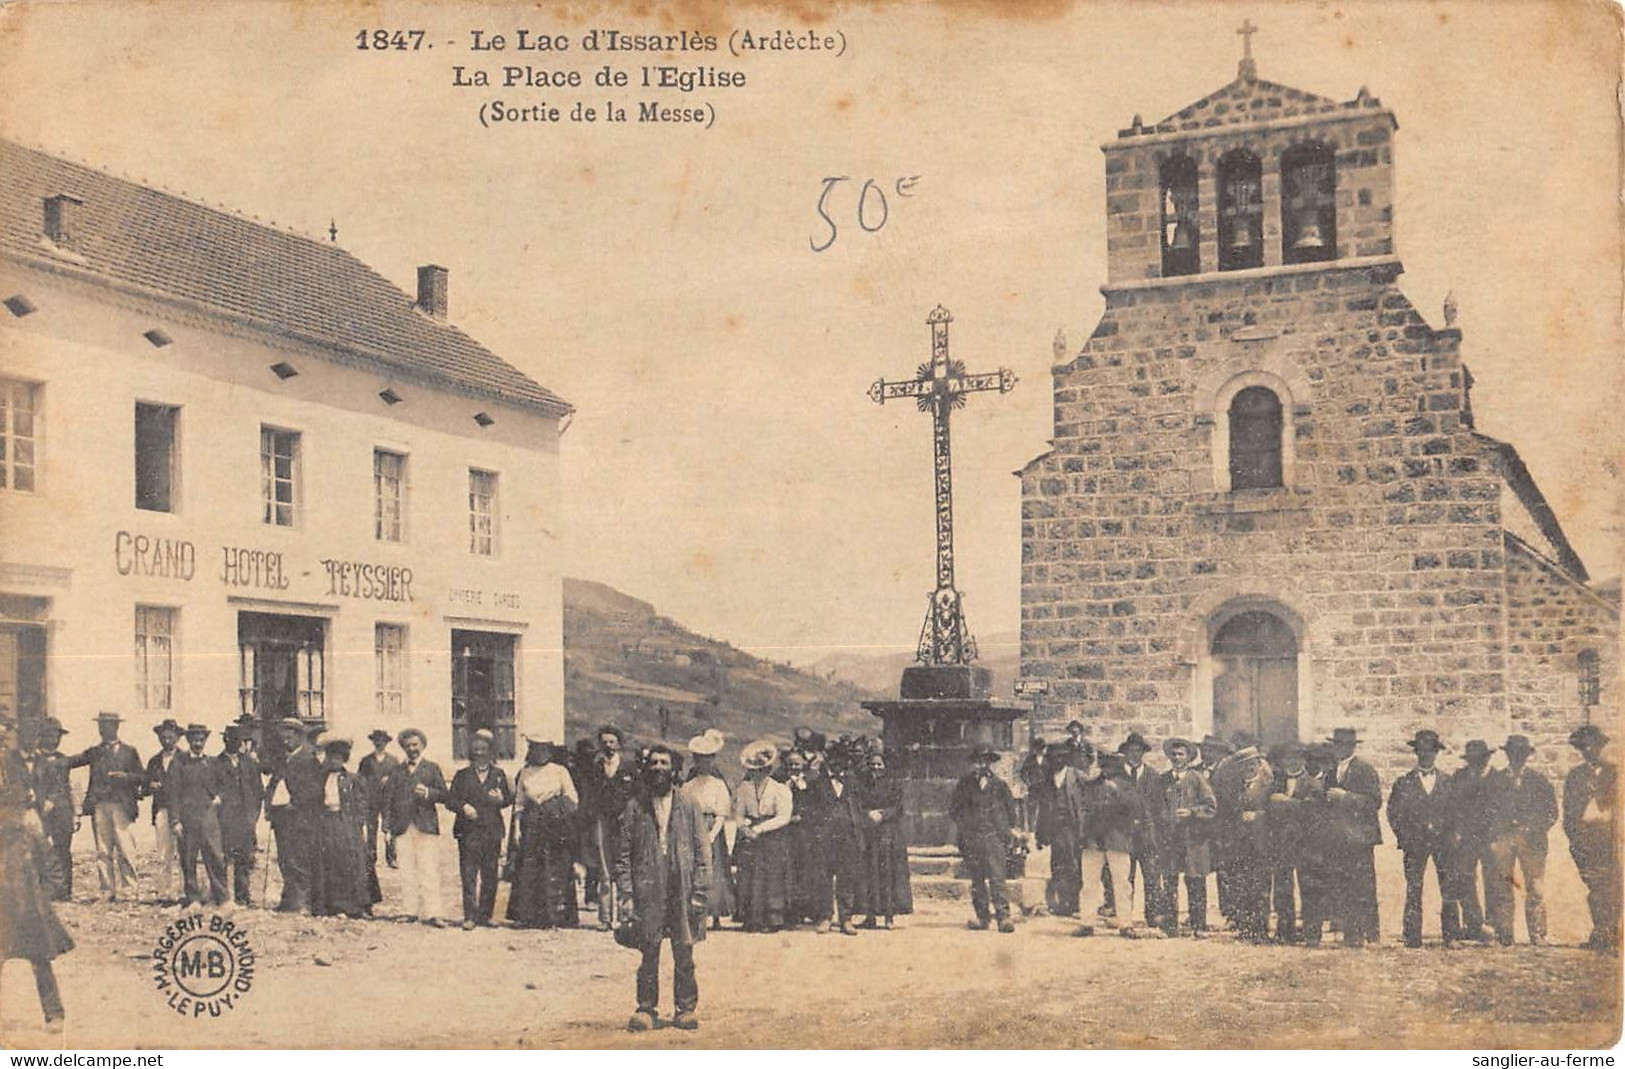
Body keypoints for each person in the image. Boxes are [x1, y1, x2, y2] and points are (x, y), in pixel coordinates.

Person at [618, 745, 710, 1032]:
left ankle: (685, 1009)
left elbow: (702, 850)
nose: (658, 767)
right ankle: (647, 1008)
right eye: (654, 762)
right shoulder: (636, 806)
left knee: (684, 949)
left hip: (681, 888)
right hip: (648, 888)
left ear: (674, 769)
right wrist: (627, 894)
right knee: (649, 950)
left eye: (664, 763)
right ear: (647, 768)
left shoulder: (689, 802)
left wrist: (700, 892)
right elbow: (622, 854)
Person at [0, 718, 72, 1033]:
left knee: (40, 954)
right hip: (3, 897)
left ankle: (54, 1013)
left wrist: (50, 889)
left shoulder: (32, 828)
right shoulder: (7, 765)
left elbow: (50, 862)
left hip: (29, 899)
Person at [1387, 729, 1462, 948]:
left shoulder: (1449, 782)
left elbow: (1457, 813)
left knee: (1448, 888)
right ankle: (1412, 936)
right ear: (1416, 753)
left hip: (1443, 843)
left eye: (1430, 751)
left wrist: (1453, 836)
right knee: (1413, 887)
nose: (1426, 756)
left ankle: (1452, 936)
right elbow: (1394, 813)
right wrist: (1405, 838)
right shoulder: (1404, 783)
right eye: (1421, 751)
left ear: (1436, 754)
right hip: (1415, 843)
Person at [1484, 734, 1556, 946]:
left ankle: (1538, 934)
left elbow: (1551, 812)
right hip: (1504, 839)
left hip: (1532, 841)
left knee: (1535, 887)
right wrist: (1496, 835)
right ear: (1508, 754)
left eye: (1521, 754)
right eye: (1513, 753)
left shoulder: (1539, 781)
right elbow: (1488, 810)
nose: (1518, 757)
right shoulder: (1495, 780)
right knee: (1502, 885)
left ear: (1527, 755)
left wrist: (1532, 828)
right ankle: (1505, 933)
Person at [69, 711, 143, 902]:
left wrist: (126, 777)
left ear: (116, 727)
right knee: (103, 850)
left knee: (126, 849)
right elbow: (73, 761)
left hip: (122, 805)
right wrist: (51, 760)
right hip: (100, 806)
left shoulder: (130, 751)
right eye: (101, 725)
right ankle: (107, 890)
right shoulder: (95, 751)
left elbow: (142, 776)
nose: (104, 729)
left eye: (108, 725)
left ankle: (129, 890)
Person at [508, 738, 581, 929]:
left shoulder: (559, 771)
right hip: (532, 824)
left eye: (543, 749)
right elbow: (519, 803)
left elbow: (573, 798)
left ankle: (556, 916)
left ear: (549, 750)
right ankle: (529, 916)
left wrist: (552, 801)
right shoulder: (525, 772)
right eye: (536, 749)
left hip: (556, 824)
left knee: (555, 867)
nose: (540, 753)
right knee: (531, 868)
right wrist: (516, 829)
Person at [447, 728, 513, 929]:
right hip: (467, 832)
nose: (480, 753)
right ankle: (470, 916)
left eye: (484, 749)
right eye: (476, 749)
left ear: (491, 751)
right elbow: (450, 800)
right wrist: (463, 807)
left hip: (491, 831)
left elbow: (510, 798)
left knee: (490, 874)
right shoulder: (462, 775)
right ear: (470, 752)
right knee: (468, 874)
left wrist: (501, 800)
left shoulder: (499, 774)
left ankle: (486, 914)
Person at [1210, 733, 1273, 942]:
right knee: (1242, 884)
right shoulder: (1234, 787)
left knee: (1261, 886)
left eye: (1252, 764)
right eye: (1244, 765)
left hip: (1261, 843)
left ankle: (1261, 928)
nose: (1249, 768)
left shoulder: (1269, 786)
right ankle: (1245, 926)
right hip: (1239, 843)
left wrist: (1258, 816)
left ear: (1259, 763)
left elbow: (1276, 813)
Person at [1323, 726, 1382, 947]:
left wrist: (1345, 797)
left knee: (1363, 886)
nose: (1337, 749)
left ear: (1350, 747)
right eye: (1335, 745)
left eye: (1341, 745)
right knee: (1343, 885)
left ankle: (1368, 932)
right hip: (1339, 838)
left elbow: (1374, 801)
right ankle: (1350, 932)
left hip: (1359, 838)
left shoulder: (1365, 769)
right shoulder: (1331, 771)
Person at [949, 743, 1017, 933]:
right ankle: (982, 917)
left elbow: (1011, 813)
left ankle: (1003, 917)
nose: (982, 765)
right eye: (978, 761)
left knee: (997, 878)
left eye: (985, 761)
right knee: (977, 880)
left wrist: (1005, 831)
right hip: (972, 838)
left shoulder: (1000, 785)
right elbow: (954, 810)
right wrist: (966, 827)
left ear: (990, 763)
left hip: (993, 837)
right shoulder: (965, 784)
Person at [1563, 723, 1618, 952]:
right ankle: (1600, 931)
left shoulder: (1614, 773)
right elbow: (1568, 812)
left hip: (1610, 840)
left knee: (1613, 885)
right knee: (1595, 887)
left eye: (1591, 746)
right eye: (1583, 748)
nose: (1588, 751)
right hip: (1585, 841)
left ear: (1599, 747)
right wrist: (1575, 840)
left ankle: (1611, 932)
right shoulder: (1575, 777)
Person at [732, 739, 794, 932]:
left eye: (762, 769)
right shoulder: (744, 789)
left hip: (772, 836)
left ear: (769, 770)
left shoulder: (780, 789)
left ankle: (773, 918)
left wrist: (760, 829)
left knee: (772, 876)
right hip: (750, 835)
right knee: (750, 876)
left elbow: (783, 817)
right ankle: (752, 917)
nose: (757, 774)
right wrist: (744, 828)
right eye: (753, 770)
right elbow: (739, 814)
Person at [389, 728, 448, 926]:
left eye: (415, 745)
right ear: (403, 748)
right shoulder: (396, 771)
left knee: (428, 869)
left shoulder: (432, 768)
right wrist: (388, 828)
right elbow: (389, 800)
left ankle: (434, 913)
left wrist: (429, 793)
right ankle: (409, 911)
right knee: (407, 870)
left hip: (425, 825)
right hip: (403, 826)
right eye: (408, 746)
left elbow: (444, 795)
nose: (412, 749)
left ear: (422, 746)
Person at [1158, 737, 1216, 936]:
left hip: (1193, 840)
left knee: (1196, 882)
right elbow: (1155, 807)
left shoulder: (1197, 778)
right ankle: (1170, 926)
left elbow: (1211, 807)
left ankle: (1199, 926)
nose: (1176, 758)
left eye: (1181, 754)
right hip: (1171, 840)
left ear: (1189, 757)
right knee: (1170, 882)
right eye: (1173, 754)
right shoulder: (1163, 780)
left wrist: (1192, 812)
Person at [310, 738, 373, 919]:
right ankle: (331, 905)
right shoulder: (321, 778)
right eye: (331, 757)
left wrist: (357, 822)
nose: (334, 761)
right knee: (329, 861)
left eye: (338, 758)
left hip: (347, 824)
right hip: (326, 822)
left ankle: (355, 905)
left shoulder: (353, 779)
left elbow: (362, 803)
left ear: (344, 759)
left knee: (350, 862)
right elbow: (315, 801)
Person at [265, 717, 323, 913]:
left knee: (301, 858)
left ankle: (303, 901)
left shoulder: (309, 759)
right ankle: (288, 898)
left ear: (299, 736)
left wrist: (295, 804)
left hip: (301, 817)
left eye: (290, 737)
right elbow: (273, 784)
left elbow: (315, 789)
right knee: (285, 858)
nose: (286, 741)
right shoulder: (282, 759)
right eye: (284, 737)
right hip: (282, 817)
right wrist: (269, 807)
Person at [1265, 741, 1321, 943]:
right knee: (1282, 888)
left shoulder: (1313, 784)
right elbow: (1268, 809)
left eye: (1295, 758)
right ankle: (1285, 932)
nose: (1291, 762)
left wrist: (1287, 803)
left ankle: (1312, 933)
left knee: (1309, 887)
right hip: (1282, 844)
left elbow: (1313, 810)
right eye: (1287, 759)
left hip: (1306, 844)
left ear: (1303, 760)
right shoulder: (1276, 784)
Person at [679, 730, 734, 930]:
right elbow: (684, 811)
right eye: (700, 759)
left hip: (713, 829)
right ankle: (697, 913)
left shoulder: (719, 785)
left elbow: (722, 812)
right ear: (695, 760)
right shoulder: (688, 786)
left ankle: (716, 914)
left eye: (708, 759)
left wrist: (712, 835)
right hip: (694, 827)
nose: (704, 763)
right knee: (694, 869)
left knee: (716, 870)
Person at [584, 725, 637, 931]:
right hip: (602, 821)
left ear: (619, 744)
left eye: (612, 742)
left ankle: (626, 917)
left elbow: (636, 793)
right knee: (604, 869)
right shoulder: (595, 767)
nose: (608, 746)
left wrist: (629, 814)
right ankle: (605, 918)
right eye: (604, 742)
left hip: (624, 822)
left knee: (624, 867)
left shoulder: (630, 767)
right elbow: (589, 794)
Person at [1447, 739, 1498, 944]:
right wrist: (1456, 831)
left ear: (1487, 758)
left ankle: (1494, 925)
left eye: (1480, 760)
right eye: (1473, 761)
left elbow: (1501, 809)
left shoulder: (1497, 778)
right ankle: (1475, 924)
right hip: (1466, 837)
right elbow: (1453, 806)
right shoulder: (1459, 777)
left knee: (1493, 880)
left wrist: (1497, 835)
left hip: (1491, 837)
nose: (1477, 765)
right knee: (1465, 878)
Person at [171, 723, 228, 907]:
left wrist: (219, 797)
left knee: (215, 857)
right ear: (188, 740)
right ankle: (193, 897)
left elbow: (224, 785)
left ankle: (222, 897)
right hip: (187, 819)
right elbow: (173, 793)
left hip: (208, 817)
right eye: (194, 740)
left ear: (205, 741)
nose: (198, 743)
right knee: (188, 858)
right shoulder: (179, 762)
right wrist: (175, 820)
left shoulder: (212, 763)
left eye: (201, 740)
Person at [1115, 732, 1165, 932]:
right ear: (1125, 752)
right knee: (1125, 878)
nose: (1134, 755)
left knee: (1152, 875)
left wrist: (1156, 831)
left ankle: (1154, 915)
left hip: (1147, 835)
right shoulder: (1116, 776)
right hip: (1124, 835)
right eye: (1131, 751)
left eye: (1138, 751)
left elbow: (1160, 806)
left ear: (1143, 753)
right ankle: (1125, 918)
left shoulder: (1153, 776)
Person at [857, 748, 911, 928]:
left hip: (889, 833)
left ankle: (889, 916)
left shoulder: (893, 783)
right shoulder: (863, 783)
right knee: (869, 874)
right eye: (872, 764)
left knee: (888, 874)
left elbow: (899, 807)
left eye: (879, 764)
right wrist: (867, 814)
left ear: (885, 766)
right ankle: (870, 917)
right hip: (869, 832)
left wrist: (883, 814)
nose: (875, 767)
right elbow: (857, 803)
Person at [816, 749, 866, 935]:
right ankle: (825, 917)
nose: (838, 766)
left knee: (847, 878)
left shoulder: (853, 783)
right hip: (825, 839)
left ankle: (846, 919)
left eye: (842, 762)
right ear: (828, 763)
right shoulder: (818, 784)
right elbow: (811, 811)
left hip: (848, 839)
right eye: (834, 762)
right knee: (824, 878)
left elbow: (861, 808)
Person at [1035, 742, 1088, 918]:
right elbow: (1042, 808)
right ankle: (1062, 902)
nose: (1058, 760)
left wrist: (1085, 827)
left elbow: (1088, 802)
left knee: (1074, 865)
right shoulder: (1047, 779)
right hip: (1055, 829)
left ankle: (1075, 903)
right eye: (1054, 757)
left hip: (1073, 828)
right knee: (1058, 865)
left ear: (1066, 758)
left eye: (1061, 757)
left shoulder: (1078, 776)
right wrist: (1040, 833)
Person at [215, 723, 264, 907]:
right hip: (225, 817)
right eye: (230, 739)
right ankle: (222, 895)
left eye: (238, 740)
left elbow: (258, 790)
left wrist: (253, 815)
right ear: (224, 740)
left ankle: (243, 896)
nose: (234, 743)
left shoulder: (250, 763)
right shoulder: (216, 763)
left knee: (244, 858)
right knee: (224, 856)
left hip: (245, 817)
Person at [29, 718, 74, 902]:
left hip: (62, 811)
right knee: (38, 848)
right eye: (50, 735)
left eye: (57, 735)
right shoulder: (34, 759)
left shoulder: (63, 759)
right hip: (41, 811)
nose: (54, 739)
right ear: (42, 736)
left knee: (63, 850)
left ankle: (64, 891)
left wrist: (75, 813)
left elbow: (67, 786)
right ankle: (41, 889)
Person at [783, 748, 827, 926]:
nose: (794, 767)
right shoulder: (781, 783)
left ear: (803, 765)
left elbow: (818, 806)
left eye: (797, 764)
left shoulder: (812, 782)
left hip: (806, 833)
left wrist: (803, 816)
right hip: (786, 832)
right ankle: (791, 913)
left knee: (807, 870)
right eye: (791, 764)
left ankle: (810, 910)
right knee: (789, 870)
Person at [145, 717, 184, 902]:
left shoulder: (184, 759)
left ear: (177, 738)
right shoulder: (154, 761)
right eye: (163, 737)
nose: (166, 740)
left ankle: (185, 892)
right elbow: (144, 786)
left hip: (182, 811)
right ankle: (164, 892)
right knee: (163, 852)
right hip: (162, 809)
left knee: (184, 852)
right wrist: (150, 786)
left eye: (170, 737)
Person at [358, 730, 400, 875]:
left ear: (386, 743)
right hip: (371, 799)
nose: (379, 743)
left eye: (382, 741)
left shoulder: (393, 761)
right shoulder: (366, 761)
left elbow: (399, 779)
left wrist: (389, 779)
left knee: (389, 828)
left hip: (388, 799)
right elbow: (360, 779)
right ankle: (371, 857)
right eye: (377, 741)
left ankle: (392, 857)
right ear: (373, 742)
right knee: (371, 828)